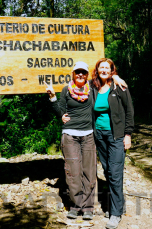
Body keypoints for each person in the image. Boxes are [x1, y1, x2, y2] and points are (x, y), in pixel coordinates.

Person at [44, 61, 127, 221]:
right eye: (77, 72)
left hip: (89, 135)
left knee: (89, 172)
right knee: (73, 172)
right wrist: (53, 98)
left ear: (87, 75)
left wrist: (115, 76)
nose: (80, 75)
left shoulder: (92, 88)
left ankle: (88, 207)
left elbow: (105, 79)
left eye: (83, 72)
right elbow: (61, 110)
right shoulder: (66, 90)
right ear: (73, 74)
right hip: (69, 136)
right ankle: (75, 206)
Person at [62, 58, 134, 229]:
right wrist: (62, 113)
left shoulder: (119, 86)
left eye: (107, 68)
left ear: (111, 70)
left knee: (115, 173)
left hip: (116, 135)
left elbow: (129, 110)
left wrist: (128, 134)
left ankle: (115, 213)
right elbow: (75, 88)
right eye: (101, 67)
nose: (103, 70)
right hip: (99, 136)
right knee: (108, 171)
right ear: (97, 70)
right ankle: (120, 204)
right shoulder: (93, 88)